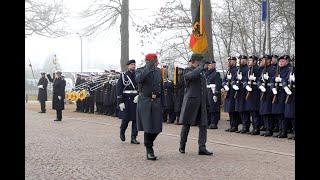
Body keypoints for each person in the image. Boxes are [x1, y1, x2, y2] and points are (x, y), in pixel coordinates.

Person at [178, 53, 213, 156]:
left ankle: (202, 147)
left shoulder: (201, 73)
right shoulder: (187, 70)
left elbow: (203, 89)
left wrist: (207, 102)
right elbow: (191, 76)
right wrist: (201, 67)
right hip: (191, 102)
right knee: (186, 125)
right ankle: (182, 145)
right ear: (195, 61)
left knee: (203, 125)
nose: (201, 63)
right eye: (199, 61)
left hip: (201, 102)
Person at [136, 53, 163, 160]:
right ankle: (149, 150)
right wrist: (148, 68)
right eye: (154, 61)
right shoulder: (140, 70)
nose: (156, 63)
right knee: (148, 127)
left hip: (156, 101)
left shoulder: (158, 71)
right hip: (145, 101)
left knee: (157, 128)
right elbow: (139, 79)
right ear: (149, 61)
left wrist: (163, 103)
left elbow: (160, 86)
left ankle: (149, 143)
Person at [116, 59, 140, 144]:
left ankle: (133, 138)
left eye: (134, 64)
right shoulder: (123, 76)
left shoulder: (138, 75)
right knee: (126, 119)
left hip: (136, 99)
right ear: (128, 66)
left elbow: (141, 87)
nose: (133, 66)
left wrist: (139, 95)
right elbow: (119, 89)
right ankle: (122, 131)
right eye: (132, 64)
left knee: (136, 120)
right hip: (126, 100)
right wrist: (120, 102)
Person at [271, 55, 291, 138]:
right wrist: (273, 86)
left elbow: (287, 79)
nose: (281, 63)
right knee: (278, 114)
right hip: (277, 93)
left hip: (283, 93)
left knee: (283, 114)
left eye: (283, 61)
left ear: (286, 62)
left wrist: (281, 80)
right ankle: (280, 130)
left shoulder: (288, 70)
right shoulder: (277, 70)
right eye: (280, 61)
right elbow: (271, 79)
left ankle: (284, 131)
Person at [257, 55, 276, 136]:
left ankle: (269, 129)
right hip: (263, 91)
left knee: (268, 111)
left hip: (269, 92)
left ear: (268, 60)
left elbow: (275, 78)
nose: (263, 61)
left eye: (265, 59)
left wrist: (269, 78)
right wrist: (259, 85)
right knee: (264, 111)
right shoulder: (263, 69)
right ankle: (266, 128)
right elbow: (259, 79)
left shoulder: (273, 69)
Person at [244, 56, 261, 135]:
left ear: (254, 61)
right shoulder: (249, 69)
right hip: (250, 91)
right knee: (251, 111)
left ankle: (256, 128)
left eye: (250, 60)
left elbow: (261, 79)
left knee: (255, 111)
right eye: (249, 60)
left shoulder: (258, 69)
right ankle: (253, 127)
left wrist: (255, 79)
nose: (249, 62)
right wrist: (246, 85)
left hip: (255, 92)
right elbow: (245, 79)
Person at [223, 57, 240, 132]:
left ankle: (235, 126)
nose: (230, 62)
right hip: (228, 92)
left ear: (235, 62)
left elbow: (236, 80)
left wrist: (231, 80)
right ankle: (231, 125)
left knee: (233, 109)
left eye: (231, 61)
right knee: (230, 110)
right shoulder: (228, 70)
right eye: (229, 61)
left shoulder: (236, 70)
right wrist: (224, 85)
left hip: (233, 92)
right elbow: (224, 80)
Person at [205, 60, 222, 129]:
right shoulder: (206, 73)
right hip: (207, 92)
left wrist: (216, 93)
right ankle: (208, 122)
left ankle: (214, 123)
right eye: (208, 65)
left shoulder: (216, 74)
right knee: (208, 108)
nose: (209, 66)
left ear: (214, 65)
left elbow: (218, 85)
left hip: (213, 92)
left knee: (214, 109)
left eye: (211, 65)